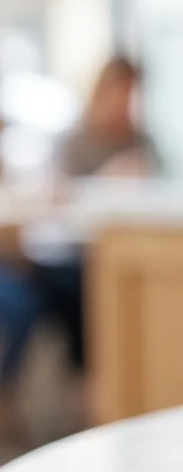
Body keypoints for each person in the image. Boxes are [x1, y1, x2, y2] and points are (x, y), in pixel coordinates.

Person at [0, 56, 152, 439]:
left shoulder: (142, 140)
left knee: (92, 290)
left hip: (101, 255)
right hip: (59, 259)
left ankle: (91, 394)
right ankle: (83, 394)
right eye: (120, 90)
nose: (125, 100)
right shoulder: (74, 140)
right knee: (65, 295)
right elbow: (52, 205)